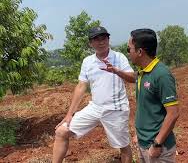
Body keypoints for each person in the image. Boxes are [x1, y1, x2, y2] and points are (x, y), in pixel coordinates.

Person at [52, 26, 135, 163]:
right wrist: (69, 114)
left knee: (123, 146)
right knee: (61, 131)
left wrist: (116, 71)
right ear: (90, 43)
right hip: (95, 107)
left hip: (116, 109)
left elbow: (133, 78)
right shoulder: (87, 61)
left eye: (104, 38)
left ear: (108, 40)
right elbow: (81, 87)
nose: (101, 42)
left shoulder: (119, 57)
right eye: (96, 39)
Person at [127, 28, 179, 163]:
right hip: (143, 142)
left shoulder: (162, 75)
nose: (128, 53)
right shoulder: (142, 72)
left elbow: (173, 114)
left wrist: (157, 143)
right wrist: (139, 135)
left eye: (129, 49)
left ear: (140, 52)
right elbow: (146, 107)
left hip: (158, 148)